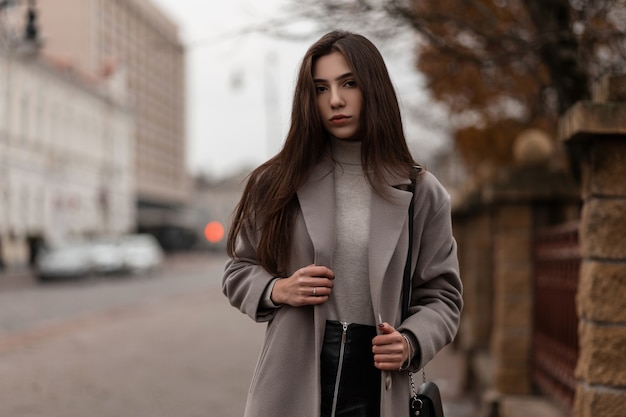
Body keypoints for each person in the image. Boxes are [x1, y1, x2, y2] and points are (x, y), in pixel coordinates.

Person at [222, 30, 463, 417]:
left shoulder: (422, 192)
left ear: (373, 88)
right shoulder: (278, 181)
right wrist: (278, 288)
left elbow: (443, 298)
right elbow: (238, 269)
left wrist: (411, 341)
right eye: (320, 88)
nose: (335, 99)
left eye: (348, 83)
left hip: (379, 385)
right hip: (291, 381)